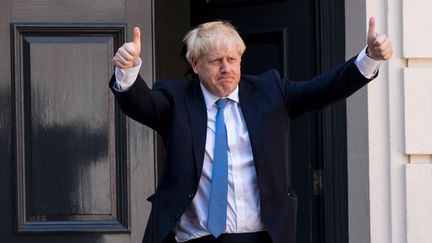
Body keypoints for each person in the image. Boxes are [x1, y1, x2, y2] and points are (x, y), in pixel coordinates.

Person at [110, 18, 392, 243]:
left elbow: (322, 90)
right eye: (215, 60)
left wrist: (369, 59)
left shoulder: (270, 92)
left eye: (232, 60)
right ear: (195, 65)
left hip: (259, 236)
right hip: (193, 237)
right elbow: (140, 104)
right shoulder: (176, 98)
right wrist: (128, 70)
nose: (226, 68)